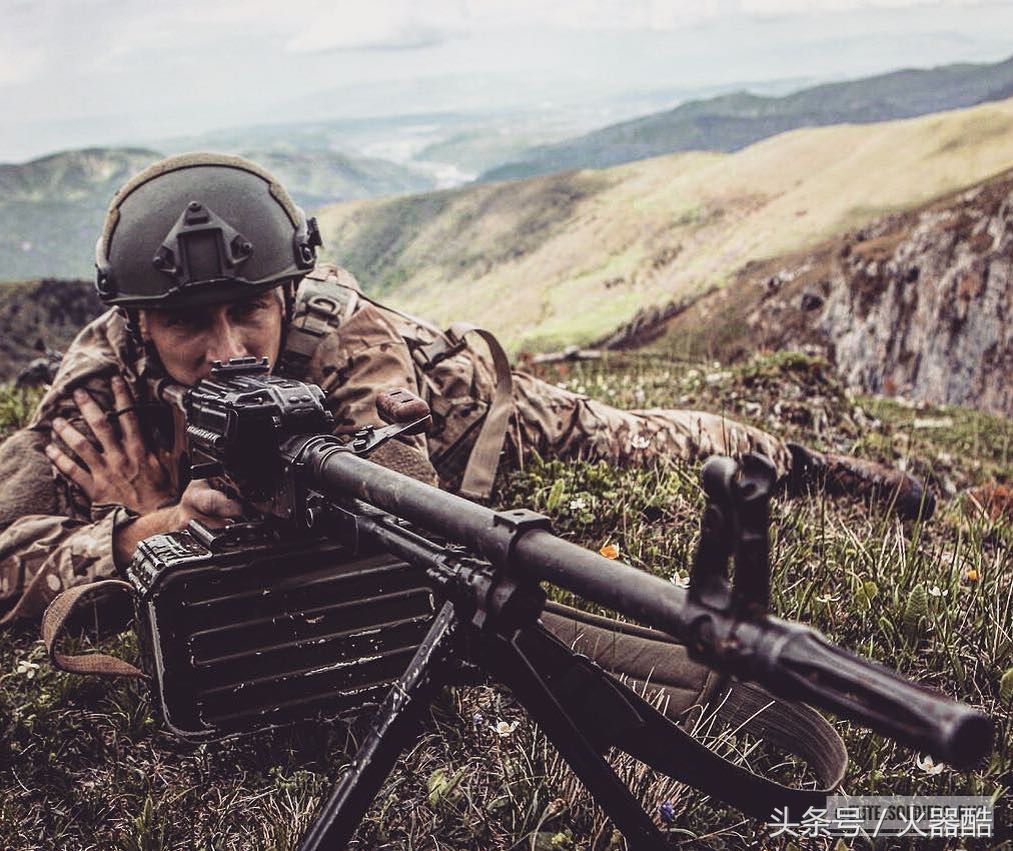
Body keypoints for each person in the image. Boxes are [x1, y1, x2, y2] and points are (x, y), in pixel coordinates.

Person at [0, 152, 932, 626]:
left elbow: (405, 519)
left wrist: (171, 515)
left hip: (479, 419)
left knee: (675, 444)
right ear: (135, 326)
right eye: (185, 325)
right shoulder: (97, 392)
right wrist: (144, 532)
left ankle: (836, 471)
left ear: (285, 291)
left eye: (249, 310)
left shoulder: (341, 338)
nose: (227, 346)